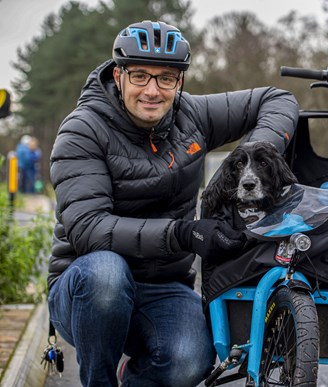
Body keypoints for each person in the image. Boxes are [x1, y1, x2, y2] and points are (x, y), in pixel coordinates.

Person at [47, 20, 298, 387]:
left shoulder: (192, 114)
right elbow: (89, 229)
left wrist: (251, 156)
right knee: (106, 276)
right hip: (86, 286)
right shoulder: (82, 131)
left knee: (189, 361)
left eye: (166, 78)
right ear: (118, 76)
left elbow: (278, 99)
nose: (153, 90)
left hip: (163, 284)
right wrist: (183, 234)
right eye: (139, 76)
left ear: (179, 82)